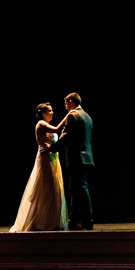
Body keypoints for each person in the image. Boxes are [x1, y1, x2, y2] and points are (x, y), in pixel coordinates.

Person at [9, 102, 69, 232]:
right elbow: (57, 129)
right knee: (47, 187)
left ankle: (52, 219)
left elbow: (56, 137)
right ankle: (42, 221)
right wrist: (69, 115)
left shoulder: (47, 124)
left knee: (55, 189)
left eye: (52, 110)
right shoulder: (41, 124)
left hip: (53, 159)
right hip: (45, 160)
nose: (52, 112)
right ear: (43, 113)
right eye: (49, 111)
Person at [50, 92, 94, 229]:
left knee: (77, 190)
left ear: (71, 102)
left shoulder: (73, 115)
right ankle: (79, 220)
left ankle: (83, 220)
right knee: (80, 189)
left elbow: (67, 137)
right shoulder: (88, 117)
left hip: (77, 158)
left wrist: (52, 148)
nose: (65, 107)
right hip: (87, 157)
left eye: (65, 103)